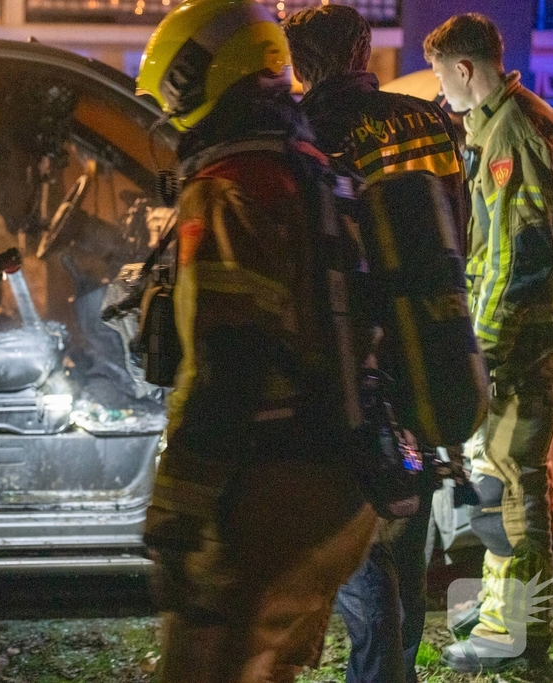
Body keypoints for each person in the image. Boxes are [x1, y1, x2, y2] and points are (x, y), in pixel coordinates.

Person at [136, 1, 377, 681]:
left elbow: (225, 368)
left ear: (195, 76)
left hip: (270, 485)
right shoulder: (313, 168)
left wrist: (174, 517)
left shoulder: (231, 186)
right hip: (341, 483)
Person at [283, 6, 469, 682]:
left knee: (364, 539)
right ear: (365, 49)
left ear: (299, 62)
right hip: (430, 347)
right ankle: (400, 667)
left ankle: (380, 671)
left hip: (356, 361)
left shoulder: (309, 129)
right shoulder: (433, 122)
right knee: (408, 524)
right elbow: (461, 235)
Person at [424, 13, 553, 673]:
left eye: (443, 78)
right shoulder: (510, 121)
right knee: (503, 484)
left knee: (509, 493)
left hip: (518, 346)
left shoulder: (511, 133)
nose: (443, 94)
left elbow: (516, 262)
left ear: (465, 68)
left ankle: (511, 635)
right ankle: (498, 616)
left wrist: (482, 356)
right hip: (527, 338)